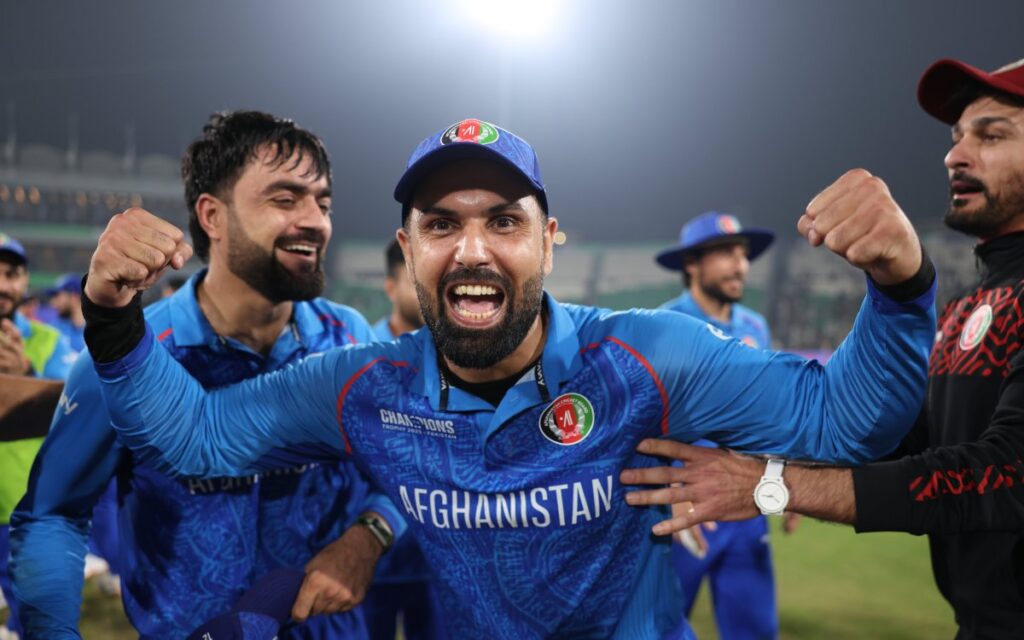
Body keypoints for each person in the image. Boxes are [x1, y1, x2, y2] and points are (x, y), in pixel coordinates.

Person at [81, 117, 936, 639]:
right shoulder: (363, 387)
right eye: (440, 225)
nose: (472, 250)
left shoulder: (647, 356)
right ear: (408, 248)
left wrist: (901, 286)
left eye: (503, 221)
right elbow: (198, 438)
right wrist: (114, 315)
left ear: (548, 241)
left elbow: (846, 422)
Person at [621, 57, 1024, 639]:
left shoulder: (755, 323)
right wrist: (786, 480)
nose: (954, 155)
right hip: (697, 500)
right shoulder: (970, 304)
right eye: (957, 136)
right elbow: (913, 440)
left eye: (992, 135)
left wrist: (778, 484)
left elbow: (1005, 476)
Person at [9, 110, 406, 639]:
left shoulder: (349, 337)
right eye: (285, 199)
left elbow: (400, 471)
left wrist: (369, 537)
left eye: (323, 202)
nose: (316, 221)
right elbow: (54, 513)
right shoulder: (131, 352)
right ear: (213, 216)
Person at [655, 212, 795, 639]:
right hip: (685, 503)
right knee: (659, 629)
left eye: (743, 254)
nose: (741, 265)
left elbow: (767, 412)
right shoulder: (661, 327)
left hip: (748, 503)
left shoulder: (755, 327)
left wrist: (788, 480)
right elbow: (640, 422)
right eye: (726, 254)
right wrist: (671, 496)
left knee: (756, 630)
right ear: (691, 264)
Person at [365, 239, 446, 639]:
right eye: (415, 281)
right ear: (390, 287)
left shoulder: (462, 360)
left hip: (438, 562)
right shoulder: (359, 356)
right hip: (371, 558)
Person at [0, 232, 74, 636]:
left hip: (26, 508)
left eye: (11, 274)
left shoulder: (49, 341)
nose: (2, 285)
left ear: (25, 281)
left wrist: (26, 375)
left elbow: (76, 412)